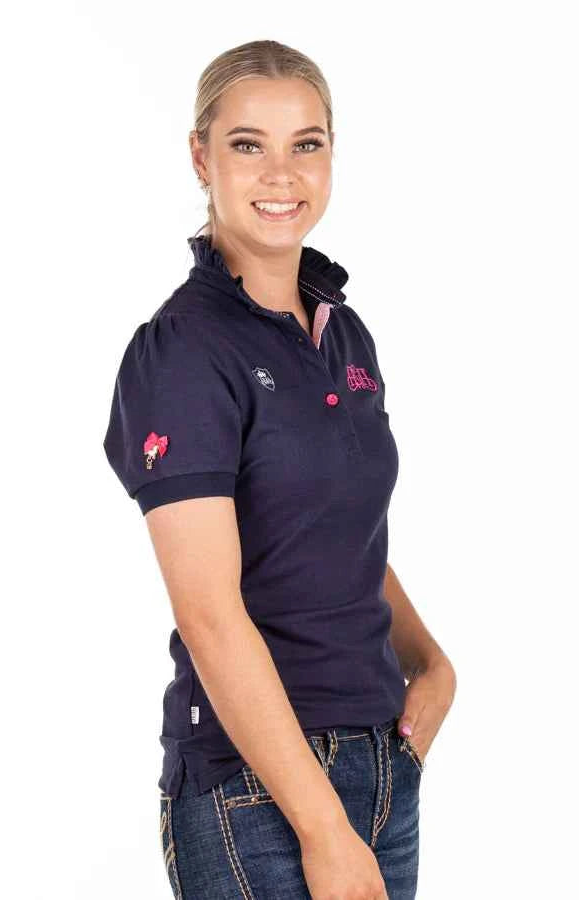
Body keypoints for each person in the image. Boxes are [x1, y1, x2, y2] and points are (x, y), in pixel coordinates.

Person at [103, 39, 456, 900]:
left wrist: (431, 662)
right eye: (247, 144)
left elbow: (336, 535)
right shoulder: (182, 352)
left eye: (306, 144)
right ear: (201, 158)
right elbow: (209, 615)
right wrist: (322, 827)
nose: (281, 174)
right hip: (256, 790)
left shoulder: (344, 332)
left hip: (380, 762)